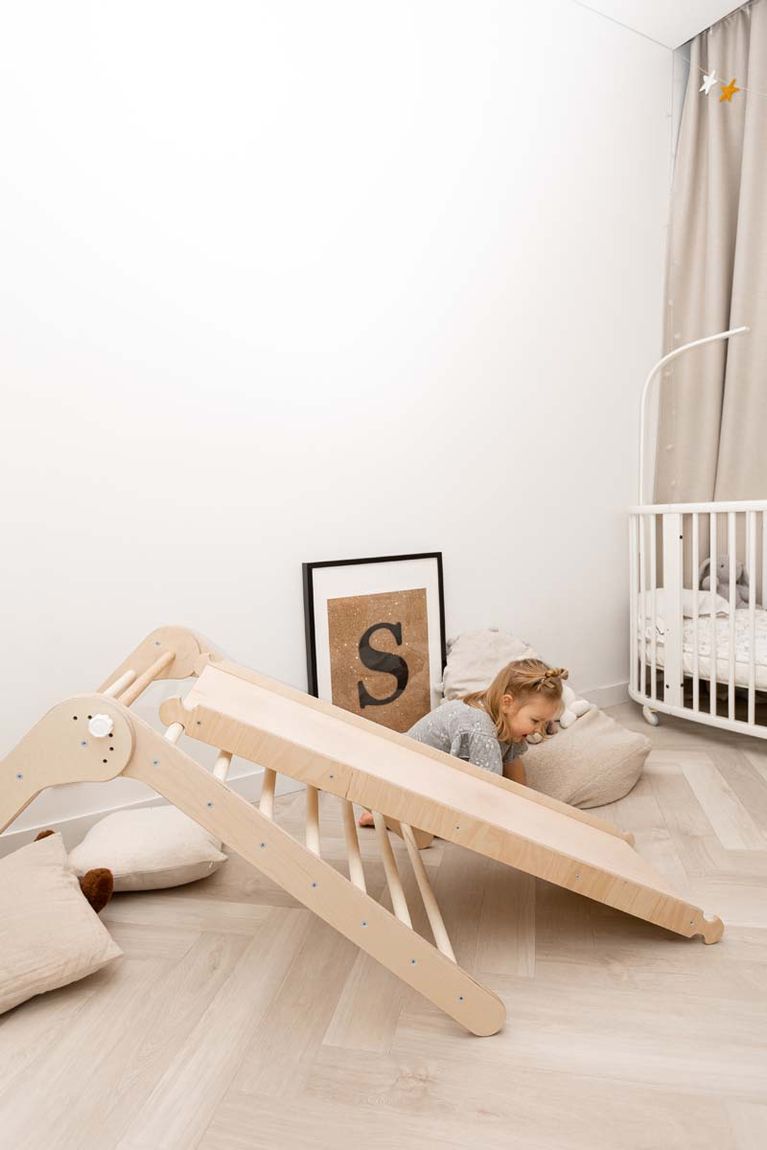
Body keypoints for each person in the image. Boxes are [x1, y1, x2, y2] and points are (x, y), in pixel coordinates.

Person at [358, 657, 568, 826]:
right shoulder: (480, 728)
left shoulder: (505, 722)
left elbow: (514, 768)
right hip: (400, 778)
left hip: (416, 776)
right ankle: (388, 813)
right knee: (453, 820)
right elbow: (487, 793)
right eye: (535, 721)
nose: (538, 730)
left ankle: (387, 813)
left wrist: (526, 805)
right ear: (507, 703)